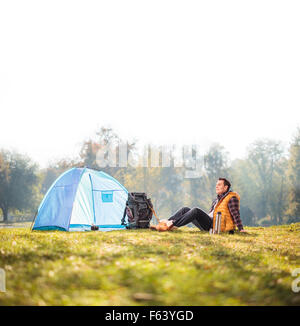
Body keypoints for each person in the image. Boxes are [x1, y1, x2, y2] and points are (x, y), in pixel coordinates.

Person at [152, 178, 245, 233]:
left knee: (196, 210)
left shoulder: (231, 198)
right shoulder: (217, 199)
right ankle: (165, 223)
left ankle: (171, 224)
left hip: (215, 226)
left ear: (226, 187)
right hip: (208, 223)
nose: (216, 186)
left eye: (219, 185)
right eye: (216, 185)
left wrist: (241, 229)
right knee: (185, 209)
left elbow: (235, 214)